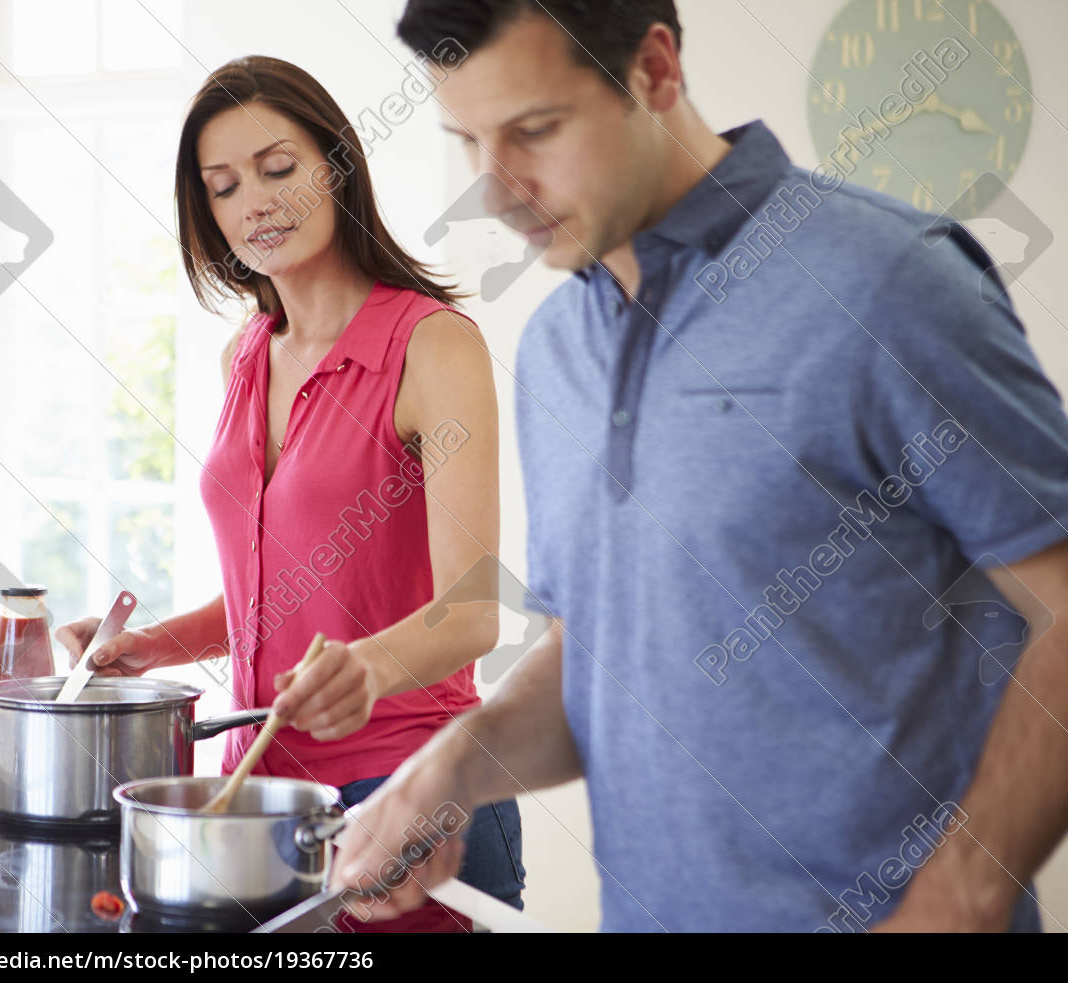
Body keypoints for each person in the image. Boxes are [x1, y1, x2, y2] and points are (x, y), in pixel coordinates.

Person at [331, 0, 1068, 932]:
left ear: (656, 69)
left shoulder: (891, 282)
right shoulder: (557, 345)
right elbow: (603, 658)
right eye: (468, 141)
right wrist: (450, 770)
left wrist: (958, 897)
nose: (498, 189)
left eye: (535, 131)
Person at [56, 55, 525, 932]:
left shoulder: (434, 346)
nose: (256, 203)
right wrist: (149, 646)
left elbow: (472, 615)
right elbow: (281, 592)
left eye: (278, 169)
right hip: (260, 798)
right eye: (224, 187)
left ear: (336, 168)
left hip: (409, 789)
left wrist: (363, 670)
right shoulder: (247, 353)